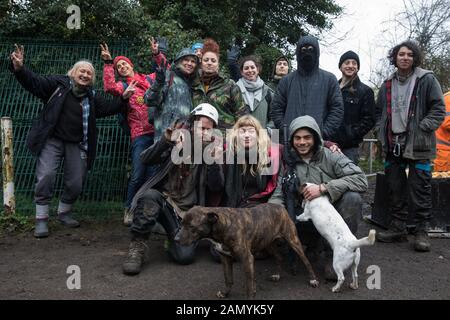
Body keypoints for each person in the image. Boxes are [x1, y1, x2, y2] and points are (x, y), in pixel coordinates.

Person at [9, 44, 128, 238]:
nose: (85, 75)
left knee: (76, 183)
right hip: (52, 140)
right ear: (73, 72)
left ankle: (64, 213)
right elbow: (34, 83)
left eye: (89, 73)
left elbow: (109, 107)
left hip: (77, 143)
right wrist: (20, 69)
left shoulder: (91, 97)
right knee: (46, 176)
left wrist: (124, 98)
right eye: (82, 71)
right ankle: (41, 219)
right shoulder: (58, 84)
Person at [122, 103, 224, 275]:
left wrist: (214, 161)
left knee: (184, 257)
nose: (204, 132)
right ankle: (137, 247)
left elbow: (216, 186)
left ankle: (172, 238)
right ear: (192, 125)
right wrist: (165, 142)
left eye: (208, 129)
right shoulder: (176, 141)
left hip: (190, 215)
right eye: (200, 127)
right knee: (149, 196)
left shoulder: (213, 151)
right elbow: (145, 159)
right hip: (167, 204)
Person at [269, 115, 368, 278]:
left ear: (315, 137)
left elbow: (361, 179)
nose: (302, 142)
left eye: (307, 137)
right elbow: (279, 192)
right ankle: (309, 247)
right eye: (297, 138)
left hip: (332, 217)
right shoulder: (289, 161)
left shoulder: (331, 155)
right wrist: (273, 215)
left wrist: (324, 188)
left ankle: (335, 255)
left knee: (353, 199)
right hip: (304, 217)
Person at [375, 40, 445, 252]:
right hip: (393, 142)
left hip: (419, 143)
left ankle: (422, 231)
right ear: (394, 58)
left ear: (415, 58)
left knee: (420, 188)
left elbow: (439, 109)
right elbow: (378, 113)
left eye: (409, 54)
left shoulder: (426, 79)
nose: (405, 57)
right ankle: (398, 228)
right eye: (401, 54)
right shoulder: (387, 83)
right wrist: (380, 130)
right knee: (395, 187)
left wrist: (423, 127)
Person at [100, 40, 167, 226]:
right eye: (118, 66)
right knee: (138, 174)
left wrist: (157, 54)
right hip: (139, 135)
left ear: (131, 64)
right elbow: (109, 87)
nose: (122, 67)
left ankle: (146, 212)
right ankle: (129, 208)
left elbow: (164, 70)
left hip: (158, 133)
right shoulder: (124, 86)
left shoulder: (148, 79)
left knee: (153, 176)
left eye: (124, 64)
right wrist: (107, 63)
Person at [270, 35, 343, 141]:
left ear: (317, 52)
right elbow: (276, 109)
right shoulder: (286, 81)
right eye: (303, 50)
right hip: (290, 141)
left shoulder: (329, 79)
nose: (307, 53)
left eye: (311, 49)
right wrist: (286, 131)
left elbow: (337, 109)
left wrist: (323, 132)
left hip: (319, 142)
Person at [224, 114, 280, 208]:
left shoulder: (269, 156)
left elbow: (273, 187)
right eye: (242, 131)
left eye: (251, 131)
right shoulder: (227, 155)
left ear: (258, 135)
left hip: (259, 207)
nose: (247, 135)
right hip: (231, 207)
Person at [192, 38, 247, 132]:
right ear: (201, 63)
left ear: (218, 64)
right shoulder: (194, 83)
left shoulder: (229, 85)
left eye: (213, 60)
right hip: (198, 137)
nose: (209, 63)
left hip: (224, 138)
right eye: (206, 60)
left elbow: (241, 114)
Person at [145, 47, 199, 141]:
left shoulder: (193, 84)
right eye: (186, 60)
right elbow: (149, 100)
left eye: (193, 61)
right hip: (164, 140)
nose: (190, 63)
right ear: (178, 62)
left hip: (184, 142)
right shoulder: (168, 76)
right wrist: (158, 82)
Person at [334, 51, 376, 164]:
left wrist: (350, 134)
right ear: (340, 66)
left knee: (347, 180)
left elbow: (369, 120)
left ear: (358, 68)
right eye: (347, 62)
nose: (351, 66)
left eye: (354, 63)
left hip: (349, 148)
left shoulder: (365, 91)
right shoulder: (332, 88)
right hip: (329, 144)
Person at [235, 56, 274, 128]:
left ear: (258, 70)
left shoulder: (268, 92)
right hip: (241, 137)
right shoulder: (234, 90)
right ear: (242, 72)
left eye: (252, 67)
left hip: (263, 137)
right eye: (246, 68)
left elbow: (274, 117)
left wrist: (271, 135)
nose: (250, 70)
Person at [434, 91, 450, 172]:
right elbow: (447, 123)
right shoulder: (448, 99)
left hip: (445, 151)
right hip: (444, 152)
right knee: (444, 181)